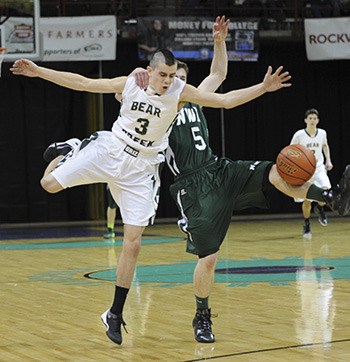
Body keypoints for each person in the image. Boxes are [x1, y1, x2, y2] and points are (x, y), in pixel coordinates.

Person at [10, 16, 295, 345]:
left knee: (133, 242)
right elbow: (84, 83)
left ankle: (114, 313)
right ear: (151, 69)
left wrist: (262, 87)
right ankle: (74, 147)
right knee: (48, 186)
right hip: (111, 150)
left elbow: (225, 97)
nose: (168, 80)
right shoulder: (132, 82)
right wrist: (39, 71)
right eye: (164, 74)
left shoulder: (181, 93)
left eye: (173, 76)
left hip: (142, 168)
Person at [130, 24, 350, 344]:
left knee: (276, 172)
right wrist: (137, 79)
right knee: (209, 257)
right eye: (171, 78)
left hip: (219, 169)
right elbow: (127, 93)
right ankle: (202, 315)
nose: (177, 83)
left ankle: (331, 197)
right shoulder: (156, 108)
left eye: (181, 78)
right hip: (193, 186)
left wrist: (219, 41)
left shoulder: (193, 99)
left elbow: (218, 75)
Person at [290, 108, 333, 239]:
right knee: (307, 199)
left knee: (327, 193)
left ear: (318, 120)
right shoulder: (299, 135)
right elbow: (290, 150)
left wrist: (328, 161)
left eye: (315, 118)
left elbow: (325, 145)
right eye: (310, 118)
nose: (312, 120)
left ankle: (320, 209)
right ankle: (307, 223)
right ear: (305, 120)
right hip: (305, 170)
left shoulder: (322, 133)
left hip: (319, 167)